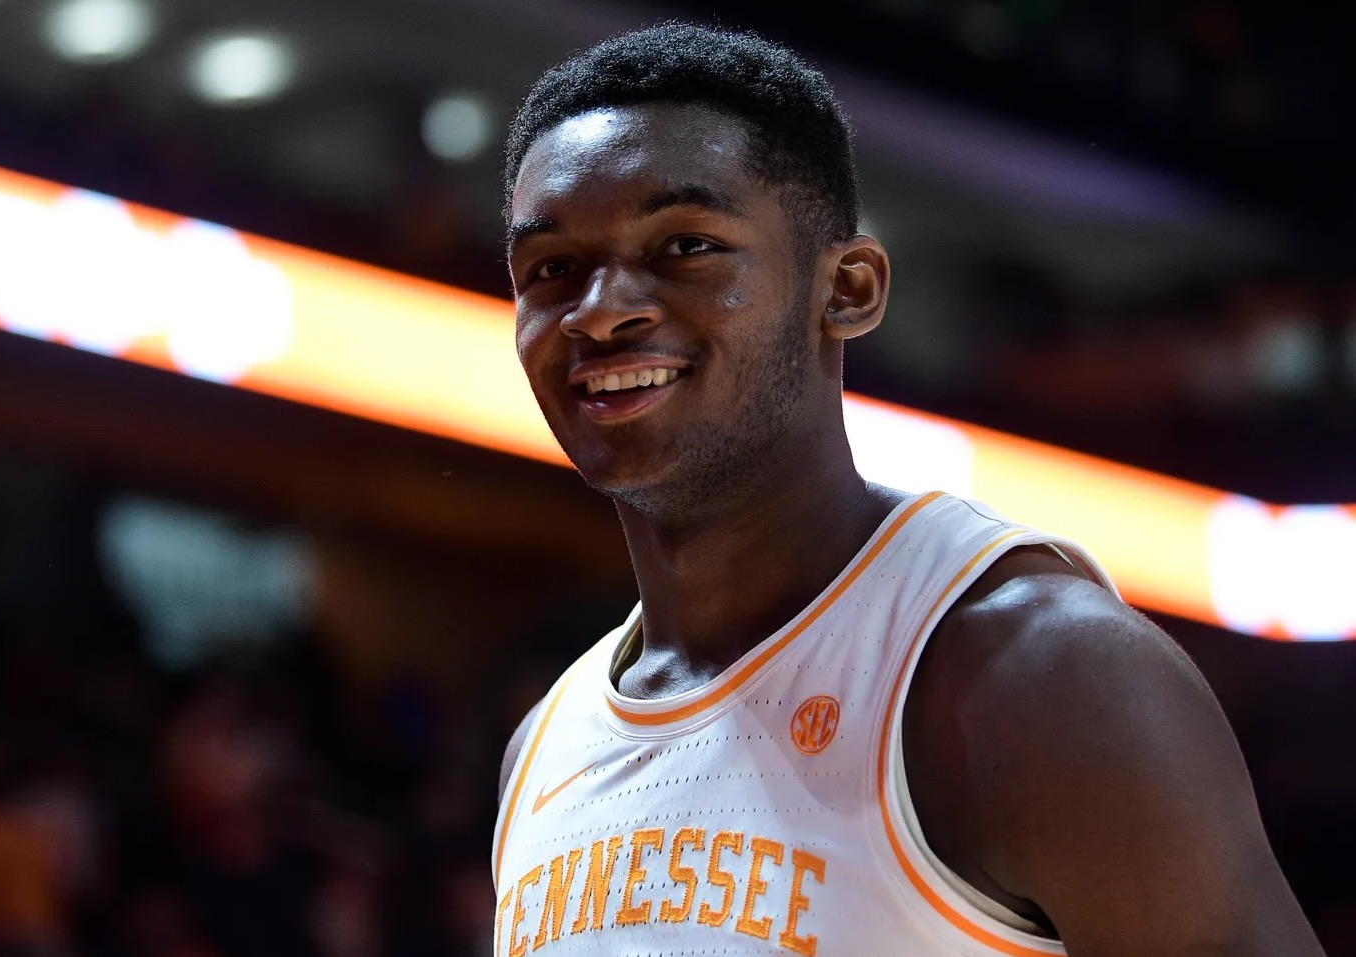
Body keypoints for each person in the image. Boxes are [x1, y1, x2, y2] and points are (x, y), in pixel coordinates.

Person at [491, 23, 1323, 957]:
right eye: (551, 269)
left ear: (846, 289)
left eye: (685, 245)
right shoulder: (543, 747)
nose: (601, 310)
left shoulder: (1041, 674)